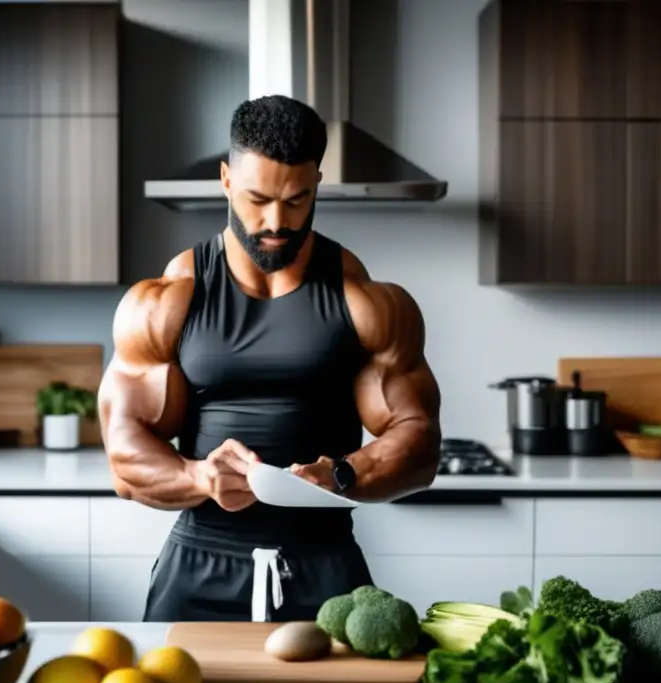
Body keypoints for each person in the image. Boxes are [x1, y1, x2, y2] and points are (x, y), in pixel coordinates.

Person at [98, 94, 442, 623]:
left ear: (317, 185)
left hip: (325, 568)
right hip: (199, 564)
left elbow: (419, 442)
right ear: (226, 180)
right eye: (257, 199)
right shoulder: (168, 300)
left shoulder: (365, 300)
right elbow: (124, 459)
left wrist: (344, 474)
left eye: (296, 200)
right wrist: (199, 478)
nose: (275, 221)